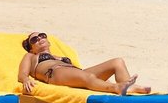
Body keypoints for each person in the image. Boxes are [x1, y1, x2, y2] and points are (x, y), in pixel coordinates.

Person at [18, 31, 151, 95]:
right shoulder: (31, 56)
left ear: (48, 41)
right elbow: (22, 74)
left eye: (42, 35)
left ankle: (128, 87)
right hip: (55, 73)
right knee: (88, 77)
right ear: (31, 48)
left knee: (117, 62)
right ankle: (116, 88)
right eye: (34, 40)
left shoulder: (58, 56)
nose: (39, 39)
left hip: (76, 73)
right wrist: (25, 79)